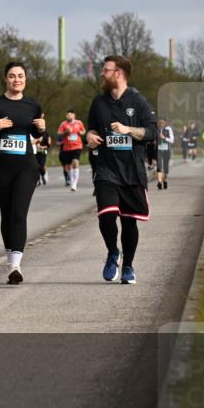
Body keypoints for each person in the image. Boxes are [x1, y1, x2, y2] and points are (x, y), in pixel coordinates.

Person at [86, 55, 157, 285]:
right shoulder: (98, 103)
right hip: (106, 169)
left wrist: (128, 129)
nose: (102, 74)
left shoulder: (138, 102)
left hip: (132, 171)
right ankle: (112, 252)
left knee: (129, 221)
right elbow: (91, 129)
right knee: (106, 215)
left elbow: (152, 133)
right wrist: (90, 137)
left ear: (119, 73)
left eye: (106, 70)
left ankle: (127, 266)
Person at [0, 61, 47, 285]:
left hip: (26, 168)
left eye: (20, 76)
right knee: (7, 216)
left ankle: (16, 265)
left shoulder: (32, 105)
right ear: (5, 79)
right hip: (2, 171)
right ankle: (10, 261)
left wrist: (43, 129)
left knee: (19, 214)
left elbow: (42, 137)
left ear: (25, 79)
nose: (16, 79)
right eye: (12, 76)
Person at [57, 109, 86, 191]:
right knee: (68, 167)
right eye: (67, 115)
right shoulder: (63, 124)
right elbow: (59, 134)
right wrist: (66, 132)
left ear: (73, 115)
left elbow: (83, 131)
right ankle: (72, 180)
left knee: (75, 163)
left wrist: (81, 132)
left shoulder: (79, 123)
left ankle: (74, 184)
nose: (67, 116)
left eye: (69, 115)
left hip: (77, 146)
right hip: (66, 147)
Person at [156, 118, 174, 190]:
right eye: (160, 122)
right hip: (158, 150)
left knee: (166, 168)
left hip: (166, 150)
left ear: (165, 123)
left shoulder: (168, 129)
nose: (161, 124)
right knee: (159, 166)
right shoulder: (156, 129)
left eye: (162, 122)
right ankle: (159, 182)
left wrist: (164, 138)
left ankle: (165, 180)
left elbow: (172, 140)